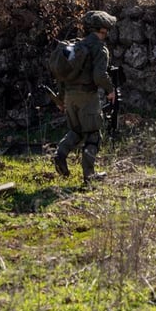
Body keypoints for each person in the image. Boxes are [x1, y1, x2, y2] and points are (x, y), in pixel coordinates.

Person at [53, 9, 116, 183]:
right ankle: (89, 176)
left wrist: (61, 97)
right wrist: (110, 89)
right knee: (93, 136)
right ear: (103, 29)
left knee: (76, 131)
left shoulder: (75, 46)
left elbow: (62, 75)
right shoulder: (100, 48)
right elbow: (99, 76)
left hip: (70, 96)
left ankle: (60, 154)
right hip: (87, 96)